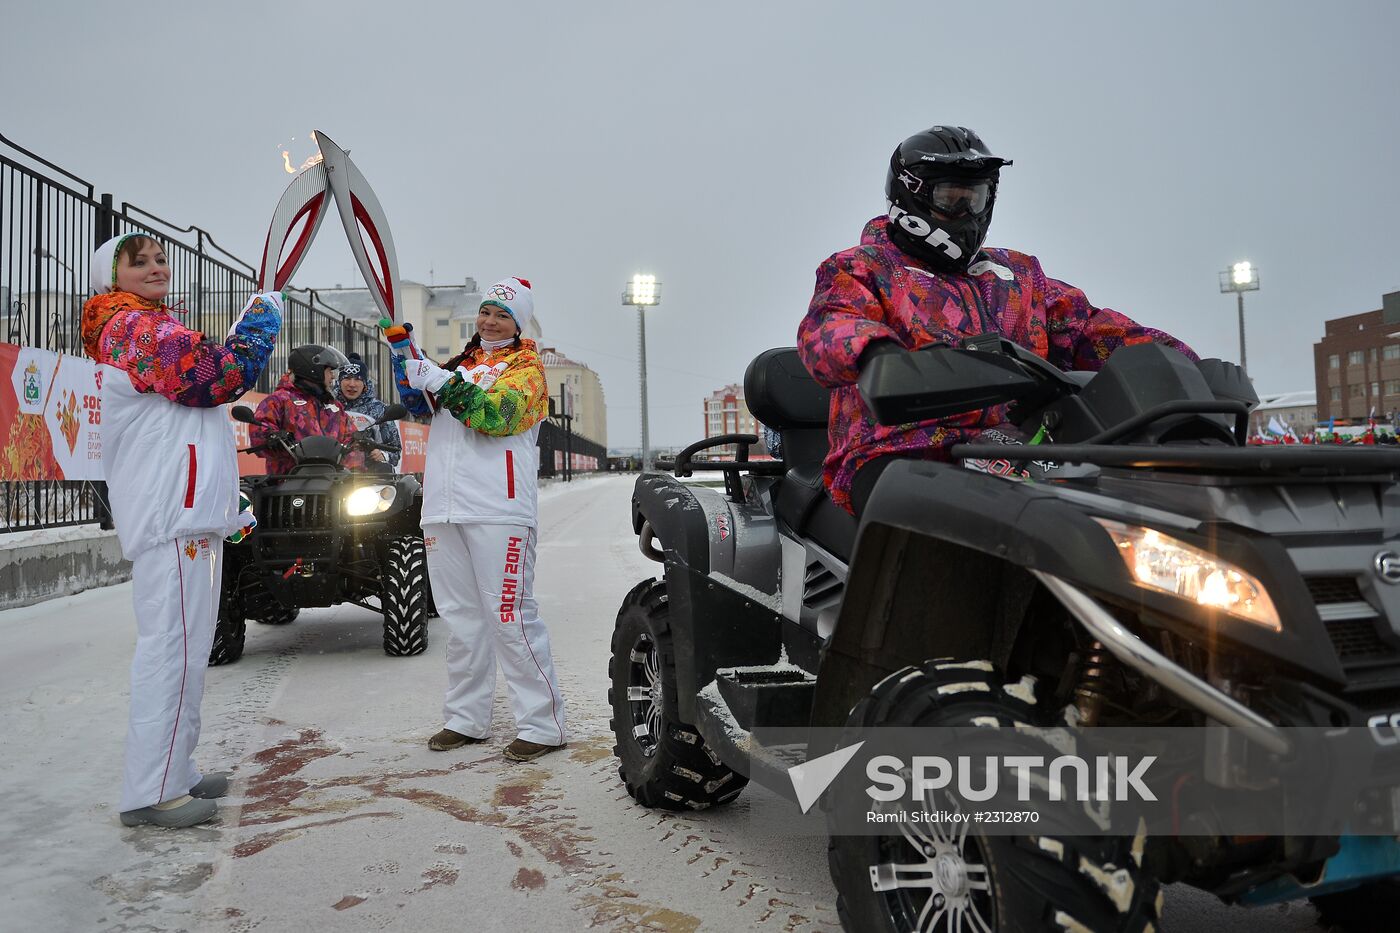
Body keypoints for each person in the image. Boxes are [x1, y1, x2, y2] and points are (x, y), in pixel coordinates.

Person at [798, 125, 1197, 515]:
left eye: (977, 197)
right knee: (982, 524)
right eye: (952, 198)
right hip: (897, 452)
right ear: (911, 195)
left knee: (1128, 513)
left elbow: (1093, 329)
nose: (967, 213)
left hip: (1019, 451)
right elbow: (831, 324)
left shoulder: (1018, 276)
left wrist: (1184, 367)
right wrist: (879, 355)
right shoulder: (860, 269)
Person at [80, 233, 281, 828]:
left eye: (160, 258)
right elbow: (217, 377)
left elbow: (194, 414)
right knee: (171, 648)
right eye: (136, 262)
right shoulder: (129, 327)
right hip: (171, 512)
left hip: (189, 509)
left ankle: (176, 769)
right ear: (111, 277)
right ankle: (150, 791)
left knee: (189, 650)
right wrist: (259, 322)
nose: (154, 268)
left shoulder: (153, 325)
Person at [388, 277, 567, 762]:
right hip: (444, 506)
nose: (490, 321)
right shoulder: (464, 364)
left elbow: (495, 416)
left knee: (509, 616)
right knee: (463, 620)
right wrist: (405, 358)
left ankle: (543, 723)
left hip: (499, 509)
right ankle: (466, 718)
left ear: (518, 323)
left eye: (502, 314)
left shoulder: (526, 370)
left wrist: (440, 380)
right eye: (486, 311)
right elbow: (420, 406)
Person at [249, 344, 366, 475]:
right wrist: (272, 438)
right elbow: (259, 431)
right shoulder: (279, 401)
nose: (333, 377)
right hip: (288, 483)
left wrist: (354, 472)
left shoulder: (334, 407)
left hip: (333, 484)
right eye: (329, 371)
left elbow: (351, 440)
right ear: (314, 370)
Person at [335, 351, 401, 473]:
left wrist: (383, 454)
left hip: (368, 476)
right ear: (339, 381)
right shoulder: (329, 406)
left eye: (357, 379)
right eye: (347, 378)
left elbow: (395, 451)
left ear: (365, 384)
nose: (352, 384)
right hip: (335, 473)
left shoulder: (379, 409)